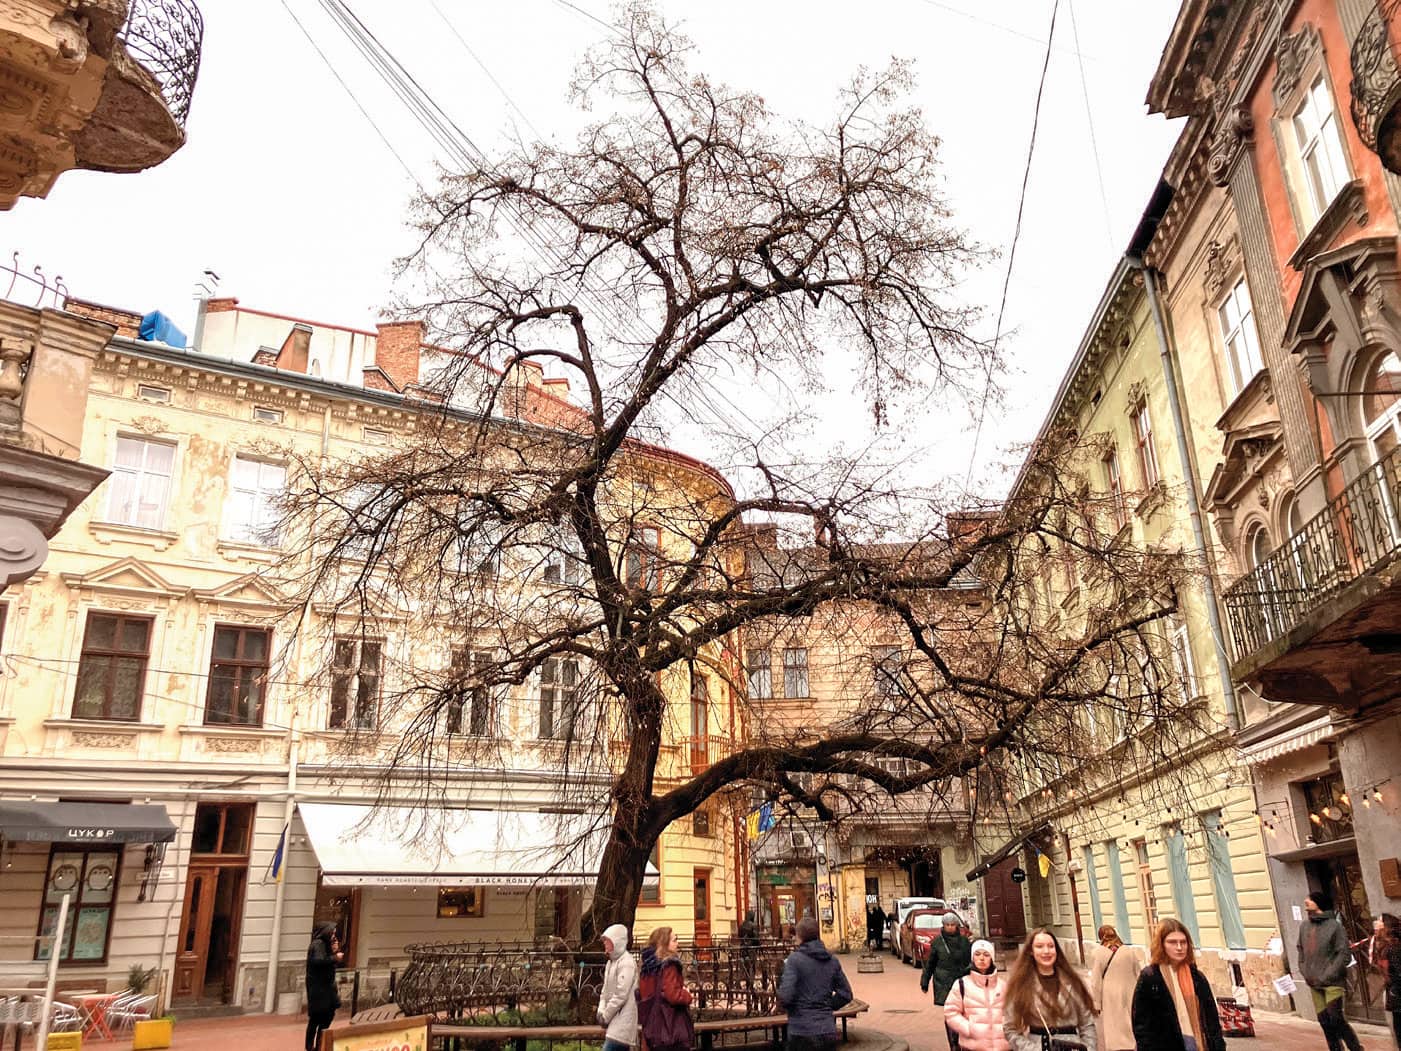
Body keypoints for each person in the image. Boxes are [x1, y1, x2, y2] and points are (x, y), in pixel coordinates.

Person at [1129, 918, 1225, 1051]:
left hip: (1198, 1045)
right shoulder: (1151, 977)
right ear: (1161, 945)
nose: (1179, 947)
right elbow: (1141, 1025)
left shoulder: (1197, 977)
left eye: (1183, 942)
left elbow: (1212, 1020)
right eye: (1172, 942)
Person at [1002, 927, 1096, 1051]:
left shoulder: (1073, 982)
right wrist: (1032, 1049)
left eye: (1051, 946)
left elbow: (1087, 1024)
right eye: (1039, 946)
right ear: (1031, 951)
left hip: (1073, 1047)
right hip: (1039, 1046)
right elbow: (1010, 1028)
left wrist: (1088, 1048)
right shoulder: (1021, 985)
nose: (1046, 951)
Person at [1299, 890, 1363, 1051]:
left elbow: (1344, 954)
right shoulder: (1304, 926)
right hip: (1313, 981)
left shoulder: (1335, 926)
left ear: (1319, 903)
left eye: (1310, 899)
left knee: (1336, 1017)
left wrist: (1329, 974)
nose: (1306, 901)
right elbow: (1300, 950)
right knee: (1324, 1020)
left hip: (1332, 981)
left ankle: (1355, 1048)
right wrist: (1304, 970)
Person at [778, 915, 853, 1051]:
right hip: (826, 1029)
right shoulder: (832, 960)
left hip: (800, 1031)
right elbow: (846, 994)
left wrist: (794, 1009)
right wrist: (827, 1005)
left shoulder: (794, 960)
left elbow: (786, 995)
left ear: (800, 937)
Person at [942, 938, 1010, 1051]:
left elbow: (1013, 1014)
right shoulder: (961, 984)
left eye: (986, 955)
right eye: (977, 954)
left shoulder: (1003, 986)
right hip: (973, 1047)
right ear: (972, 958)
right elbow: (950, 1013)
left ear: (992, 958)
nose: (982, 958)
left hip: (1002, 1047)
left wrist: (1005, 1029)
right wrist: (969, 1028)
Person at [921, 911, 973, 1050]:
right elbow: (930, 963)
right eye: (947, 925)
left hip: (962, 981)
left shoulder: (964, 941)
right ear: (943, 926)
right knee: (950, 1013)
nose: (950, 927)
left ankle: (961, 1039)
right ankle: (953, 1043)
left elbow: (970, 961)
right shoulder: (937, 942)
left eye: (953, 925)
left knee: (964, 1011)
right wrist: (925, 980)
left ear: (957, 926)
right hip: (943, 982)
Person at [637, 926, 693, 1051]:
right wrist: (687, 995)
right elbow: (672, 995)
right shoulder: (669, 965)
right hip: (669, 1028)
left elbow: (644, 994)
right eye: (674, 940)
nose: (677, 943)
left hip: (650, 1027)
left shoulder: (647, 966)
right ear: (664, 943)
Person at [1088, 925, 1142, 1051]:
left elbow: (1096, 980)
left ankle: (1118, 1047)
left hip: (1110, 994)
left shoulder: (1098, 953)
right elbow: (1138, 972)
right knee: (1130, 1019)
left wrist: (1096, 1003)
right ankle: (1133, 1044)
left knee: (1115, 1024)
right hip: (1131, 990)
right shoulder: (1128, 950)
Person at [599, 923, 639, 1051]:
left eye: (607, 940)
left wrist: (605, 1015)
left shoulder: (626, 962)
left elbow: (621, 994)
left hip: (623, 1021)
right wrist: (601, 1010)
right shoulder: (611, 963)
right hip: (614, 1021)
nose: (604, 943)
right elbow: (605, 992)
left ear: (616, 942)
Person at [305, 921, 343, 1051]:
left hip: (326, 988)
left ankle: (320, 1043)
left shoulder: (325, 945)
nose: (334, 934)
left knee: (327, 1015)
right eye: (332, 931)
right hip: (319, 989)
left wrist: (334, 952)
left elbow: (327, 963)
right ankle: (311, 1046)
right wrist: (335, 958)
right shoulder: (318, 944)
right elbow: (319, 961)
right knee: (316, 1018)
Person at [1379, 913, 1400, 1049]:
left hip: (1396, 994)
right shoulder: (1385, 946)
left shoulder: (1392, 949)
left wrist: (1394, 990)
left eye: (1380, 922)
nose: (1377, 924)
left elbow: (1395, 973)